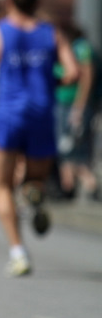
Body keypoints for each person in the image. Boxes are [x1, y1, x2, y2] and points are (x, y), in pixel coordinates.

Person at [0, 0, 79, 277]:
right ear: (37, 0)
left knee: (3, 186)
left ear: (8, 0)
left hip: (9, 114)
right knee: (34, 179)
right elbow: (72, 73)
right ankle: (34, 194)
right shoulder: (51, 32)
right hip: (42, 113)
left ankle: (18, 252)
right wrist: (48, 79)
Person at [53, 21, 100, 202]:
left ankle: (89, 184)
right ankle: (68, 188)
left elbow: (87, 77)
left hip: (75, 105)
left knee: (74, 148)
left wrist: (79, 106)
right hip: (61, 103)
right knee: (64, 148)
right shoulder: (66, 47)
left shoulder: (81, 47)